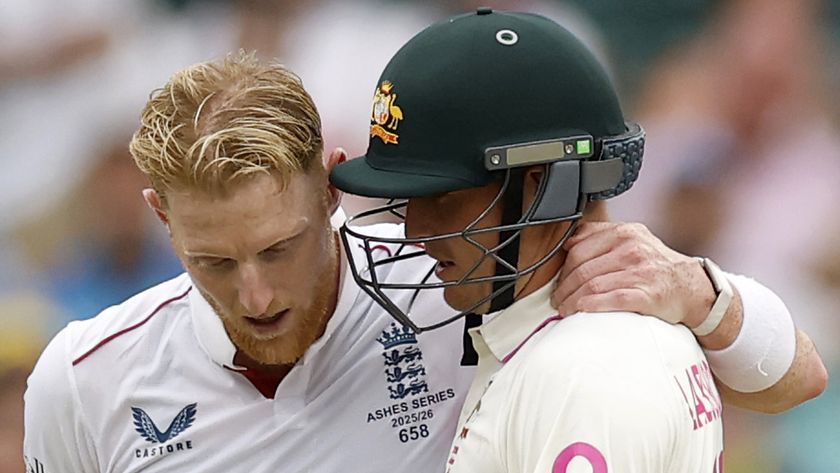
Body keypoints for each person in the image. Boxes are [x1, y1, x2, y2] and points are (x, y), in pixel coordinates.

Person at [23, 50, 824, 472]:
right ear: (159, 214)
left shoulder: (457, 279)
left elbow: (797, 379)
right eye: (213, 261)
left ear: (331, 184)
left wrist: (697, 286)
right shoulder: (82, 378)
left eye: (280, 246)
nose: (256, 292)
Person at [329, 9, 826, 472]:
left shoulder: (585, 372)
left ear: (544, 184)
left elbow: (803, 377)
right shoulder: (528, 321)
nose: (415, 232)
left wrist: (697, 288)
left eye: (443, 195)